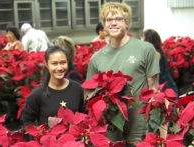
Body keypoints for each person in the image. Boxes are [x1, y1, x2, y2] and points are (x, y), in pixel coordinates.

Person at [86, 2, 160, 146]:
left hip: (139, 125)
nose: (113, 23)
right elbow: (90, 95)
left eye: (119, 19)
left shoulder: (145, 49)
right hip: (111, 126)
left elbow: (154, 88)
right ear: (104, 25)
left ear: (127, 23)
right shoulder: (96, 58)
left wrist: (156, 123)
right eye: (109, 20)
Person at [21, 46, 85, 128]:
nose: (59, 68)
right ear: (47, 65)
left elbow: (83, 115)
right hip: (49, 140)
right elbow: (27, 121)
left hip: (74, 140)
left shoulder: (77, 88)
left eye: (63, 62)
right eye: (54, 63)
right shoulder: (38, 93)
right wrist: (39, 138)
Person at [143, 29, 179, 97]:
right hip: (165, 85)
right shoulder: (158, 51)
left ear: (148, 39)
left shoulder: (155, 53)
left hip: (164, 87)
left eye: (143, 38)